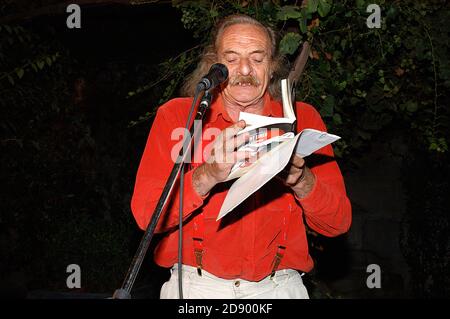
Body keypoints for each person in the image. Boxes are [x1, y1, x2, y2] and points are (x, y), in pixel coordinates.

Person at [131, 14, 351, 299]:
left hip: (280, 288)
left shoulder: (303, 117)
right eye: (232, 59)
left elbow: (337, 223)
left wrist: (301, 179)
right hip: (196, 288)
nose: (245, 69)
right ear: (215, 66)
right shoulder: (178, 117)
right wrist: (207, 175)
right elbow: (147, 216)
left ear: (272, 67)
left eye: (258, 59)